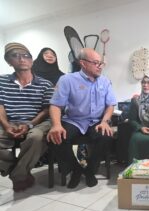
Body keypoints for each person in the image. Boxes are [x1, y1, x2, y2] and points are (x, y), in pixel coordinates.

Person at [47, 48, 117, 188]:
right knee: (57, 139)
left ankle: (90, 171)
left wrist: (104, 121)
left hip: (96, 121)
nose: (100, 66)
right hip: (74, 120)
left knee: (106, 136)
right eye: (96, 63)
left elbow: (110, 105)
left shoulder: (105, 81)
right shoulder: (67, 80)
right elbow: (55, 105)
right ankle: (77, 169)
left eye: (101, 63)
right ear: (83, 63)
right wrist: (56, 125)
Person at [0, 42, 54, 192]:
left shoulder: (45, 84)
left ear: (31, 60)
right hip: (10, 122)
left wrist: (29, 124)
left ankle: (18, 176)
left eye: (26, 56)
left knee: (36, 138)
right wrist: (6, 126)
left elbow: (47, 110)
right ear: (8, 61)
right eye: (15, 56)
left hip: (37, 122)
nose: (22, 59)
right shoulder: (1, 82)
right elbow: (0, 107)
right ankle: (20, 173)